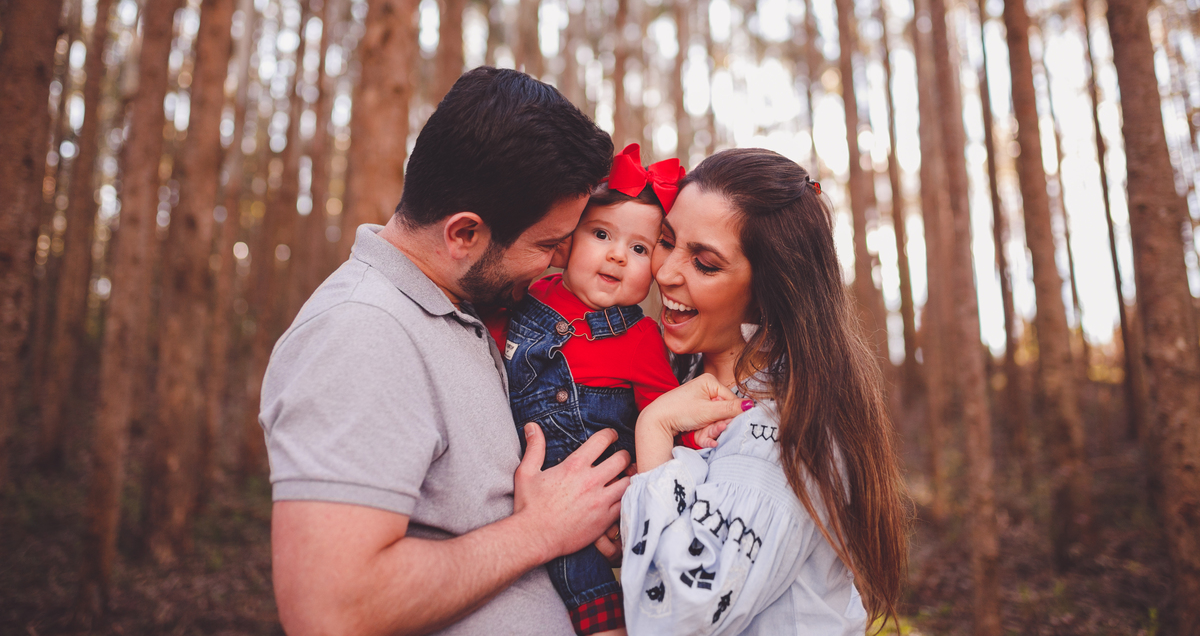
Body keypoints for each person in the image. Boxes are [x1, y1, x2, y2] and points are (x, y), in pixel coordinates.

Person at [261, 67, 646, 636]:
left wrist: (584, 516)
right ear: (464, 234)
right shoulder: (360, 332)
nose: (559, 263)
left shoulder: (466, 312)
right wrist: (542, 530)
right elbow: (331, 609)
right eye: (546, 245)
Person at [618, 148, 910, 635]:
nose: (666, 272)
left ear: (767, 290)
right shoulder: (679, 378)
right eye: (666, 242)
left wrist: (654, 429)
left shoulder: (775, 436)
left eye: (705, 264)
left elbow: (673, 616)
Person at [489, 144, 688, 636]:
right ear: (568, 242)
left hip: (592, 499)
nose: (618, 254)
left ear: (657, 270)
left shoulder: (641, 337)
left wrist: (639, 487)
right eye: (601, 234)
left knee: (590, 586)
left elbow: (665, 418)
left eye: (640, 248)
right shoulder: (527, 295)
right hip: (513, 488)